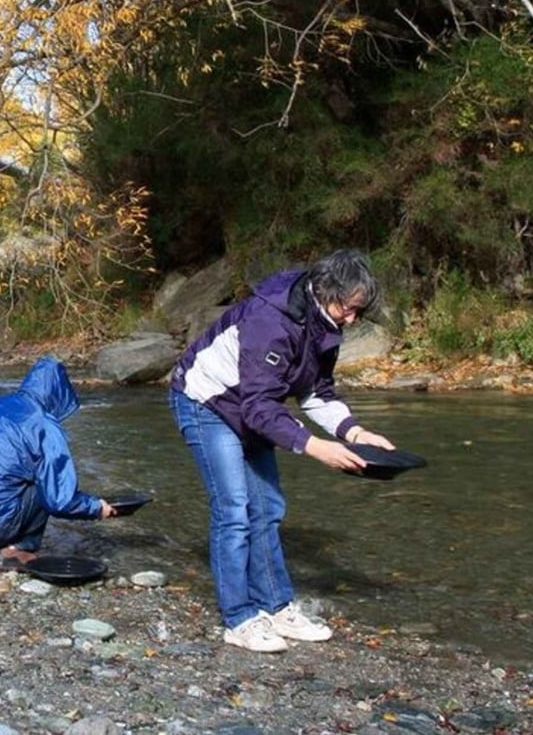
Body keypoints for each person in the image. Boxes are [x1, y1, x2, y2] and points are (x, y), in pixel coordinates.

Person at [169, 248, 397, 653]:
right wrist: (314, 447)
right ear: (326, 289)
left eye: (359, 310)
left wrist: (356, 432)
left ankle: (276, 607)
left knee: (268, 507)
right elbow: (258, 408)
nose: (353, 319)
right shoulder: (269, 320)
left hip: (251, 405)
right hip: (204, 402)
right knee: (234, 510)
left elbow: (316, 393)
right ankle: (239, 618)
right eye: (349, 308)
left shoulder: (327, 323)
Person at [0, 356, 114, 569]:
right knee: (44, 483)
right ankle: (17, 550)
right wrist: (96, 508)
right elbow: (59, 500)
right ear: (58, 393)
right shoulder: (43, 422)